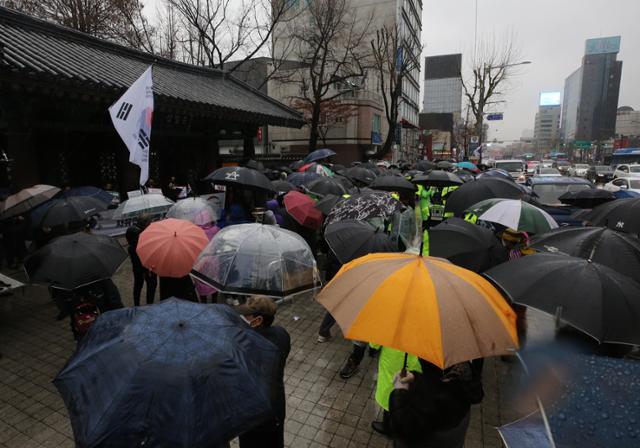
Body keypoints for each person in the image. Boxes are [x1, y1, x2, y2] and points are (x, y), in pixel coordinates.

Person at [236, 296, 291, 448]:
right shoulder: (282, 334)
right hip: (276, 409)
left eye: (246, 316)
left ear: (258, 320)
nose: (243, 318)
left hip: (252, 415)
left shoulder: (244, 344)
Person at [389, 359, 477, 448]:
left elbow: (403, 427)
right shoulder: (464, 380)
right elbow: (434, 381)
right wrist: (415, 377)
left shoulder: (431, 403)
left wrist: (399, 392)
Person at [126, 216, 157, 306]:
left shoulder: (131, 231)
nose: (151, 224)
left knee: (138, 285)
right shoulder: (143, 236)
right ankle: (149, 304)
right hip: (147, 266)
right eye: (150, 222)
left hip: (136, 266)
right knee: (151, 285)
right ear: (146, 224)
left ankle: (136, 305)